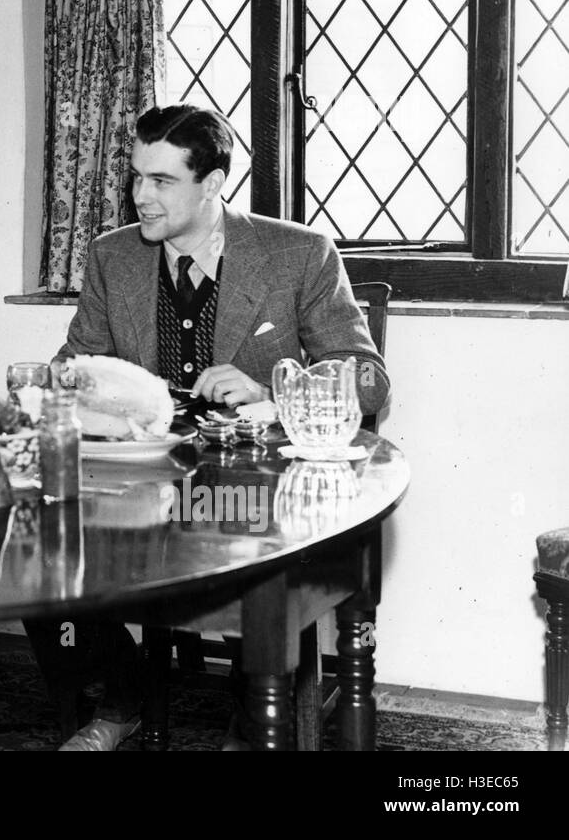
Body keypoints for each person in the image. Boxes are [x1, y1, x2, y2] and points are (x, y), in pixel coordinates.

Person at [31, 103, 390, 750]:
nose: (140, 195)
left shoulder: (297, 252)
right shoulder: (112, 257)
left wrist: (276, 392)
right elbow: (71, 369)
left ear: (214, 182)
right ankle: (123, 691)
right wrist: (80, 397)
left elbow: (368, 380)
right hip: (145, 490)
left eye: (161, 181)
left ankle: (255, 717)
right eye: (135, 176)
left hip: (258, 497)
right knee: (33, 539)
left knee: (252, 572)